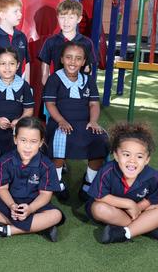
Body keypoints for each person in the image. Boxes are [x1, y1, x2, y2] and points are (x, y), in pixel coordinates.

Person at [86, 122, 158, 243]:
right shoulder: (107, 171)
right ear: (116, 156)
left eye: (139, 156)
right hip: (112, 210)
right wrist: (129, 204)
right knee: (98, 209)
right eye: (126, 154)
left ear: (147, 159)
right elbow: (99, 197)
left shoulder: (153, 176)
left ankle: (124, 233)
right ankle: (148, 227)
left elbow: (152, 200)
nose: (132, 161)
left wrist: (137, 207)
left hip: (137, 212)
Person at [43, 41, 109, 201]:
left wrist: (93, 121)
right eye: (69, 57)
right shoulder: (54, 79)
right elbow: (50, 104)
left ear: (84, 61)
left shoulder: (88, 80)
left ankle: (89, 182)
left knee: (101, 139)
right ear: (62, 59)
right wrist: (61, 120)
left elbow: (93, 104)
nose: (73, 62)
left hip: (84, 123)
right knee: (60, 138)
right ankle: (57, 182)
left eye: (78, 58)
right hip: (60, 122)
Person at [0, 117, 64, 242]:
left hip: (36, 205)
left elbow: (45, 195)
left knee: (56, 215)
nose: (27, 146)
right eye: (23, 140)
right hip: (11, 202)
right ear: (15, 140)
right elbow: (2, 189)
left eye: (33, 141)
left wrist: (31, 209)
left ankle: (6, 230)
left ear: (41, 142)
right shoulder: (4, 161)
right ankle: (40, 227)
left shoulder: (47, 165)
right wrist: (12, 206)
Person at [0, 48, 34, 193]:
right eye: (3, 64)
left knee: (22, 149)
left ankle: (16, 179)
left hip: (17, 126)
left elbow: (29, 110)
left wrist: (20, 120)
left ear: (17, 65)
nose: (7, 68)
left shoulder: (24, 86)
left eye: (11, 64)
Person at [39, 0, 97, 85]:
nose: (66, 22)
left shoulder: (86, 42)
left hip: (78, 88)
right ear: (57, 18)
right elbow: (45, 67)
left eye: (71, 17)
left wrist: (87, 88)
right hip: (58, 88)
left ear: (79, 19)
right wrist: (48, 89)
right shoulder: (51, 41)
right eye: (62, 17)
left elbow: (88, 68)